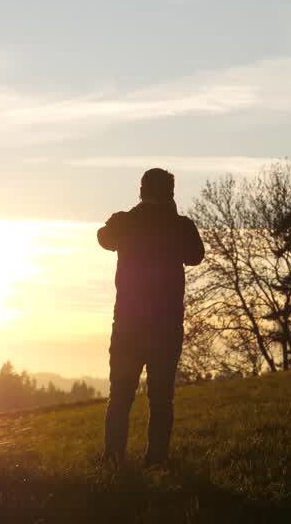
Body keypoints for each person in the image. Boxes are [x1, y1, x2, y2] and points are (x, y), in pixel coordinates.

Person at [97, 167, 205, 467]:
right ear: (171, 193)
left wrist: (137, 213)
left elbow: (103, 237)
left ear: (142, 190)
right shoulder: (181, 225)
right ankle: (156, 461)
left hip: (128, 323)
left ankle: (113, 459)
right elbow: (196, 255)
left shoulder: (125, 221)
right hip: (166, 325)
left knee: (120, 395)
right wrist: (170, 216)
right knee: (161, 398)